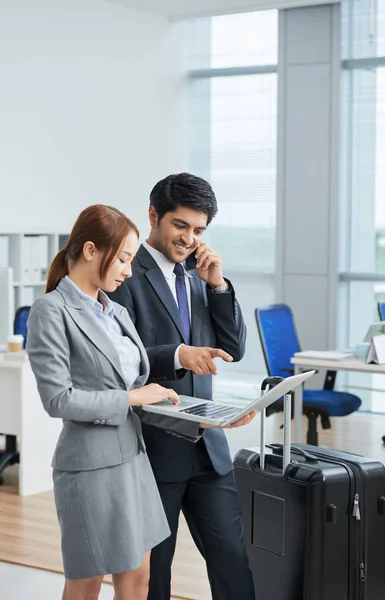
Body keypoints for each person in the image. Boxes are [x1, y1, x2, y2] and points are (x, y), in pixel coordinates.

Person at [26, 204, 206, 600]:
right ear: (91, 250)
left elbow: (140, 394)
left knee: (139, 578)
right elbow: (58, 400)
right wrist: (132, 396)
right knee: (85, 583)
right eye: (123, 258)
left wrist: (194, 419)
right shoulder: (50, 311)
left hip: (133, 459)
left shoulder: (117, 312)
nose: (128, 270)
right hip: (89, 466)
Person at [107, 173, 256, 600]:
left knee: (233, 563)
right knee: (155, 575)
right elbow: (119, 361)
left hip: (208, 449)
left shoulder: (198, 276)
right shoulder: (125, 276)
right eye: (180, 226)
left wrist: (219, 285)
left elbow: (234, 347)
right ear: (153, 216)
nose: (189, 238)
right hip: (153, 450)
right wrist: (176, 354)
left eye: (199, 230)